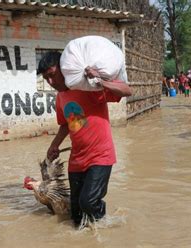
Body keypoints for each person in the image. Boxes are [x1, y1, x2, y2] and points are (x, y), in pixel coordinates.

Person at [37, 51, 132, 227]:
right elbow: (66, 124)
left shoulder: (88, 87)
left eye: (52, 75)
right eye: (46, 78)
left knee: (88, 202)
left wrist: (99, 81)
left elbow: (127, 91)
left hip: (100, 156)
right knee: (77, 216)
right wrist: (54, 145)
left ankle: (105, 227)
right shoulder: (61, 97)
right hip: (77, 160)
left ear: (64, 69)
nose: (50, 82)